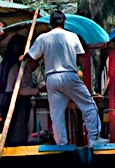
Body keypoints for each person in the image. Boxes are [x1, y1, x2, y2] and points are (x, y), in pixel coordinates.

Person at [23, 10, 106, 146]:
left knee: (56, 114)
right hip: (69, 75)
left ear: (50, 23)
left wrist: (23, 57)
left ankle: (62, 144)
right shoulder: (72, 36)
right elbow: (80, 59)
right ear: (64, 22)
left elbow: (30, 56)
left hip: (52, 78)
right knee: (88, 106)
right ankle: (93, 138)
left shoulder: (43, 38)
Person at [0, 35, 40, 146]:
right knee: (15, 129)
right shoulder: (14, 65)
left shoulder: (22, 66)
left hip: (15, 98)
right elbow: (18, 89)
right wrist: (36, 90)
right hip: (13, 98)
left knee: (19, 127)